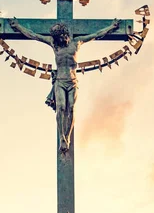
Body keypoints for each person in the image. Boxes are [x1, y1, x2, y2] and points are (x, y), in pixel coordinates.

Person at [8, 18, 121, 152]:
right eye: (58, 38)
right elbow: (34, 35)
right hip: (60, 81)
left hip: (72, 81)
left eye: (62, 37)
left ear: (66, 34)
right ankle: (62, 136)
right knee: (61, 107)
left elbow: (96, 34)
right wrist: (18, 27)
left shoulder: (77, 43)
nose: (61, 40)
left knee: (71, 108)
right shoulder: (54, 44)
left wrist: (111, 27)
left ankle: (67, 136)